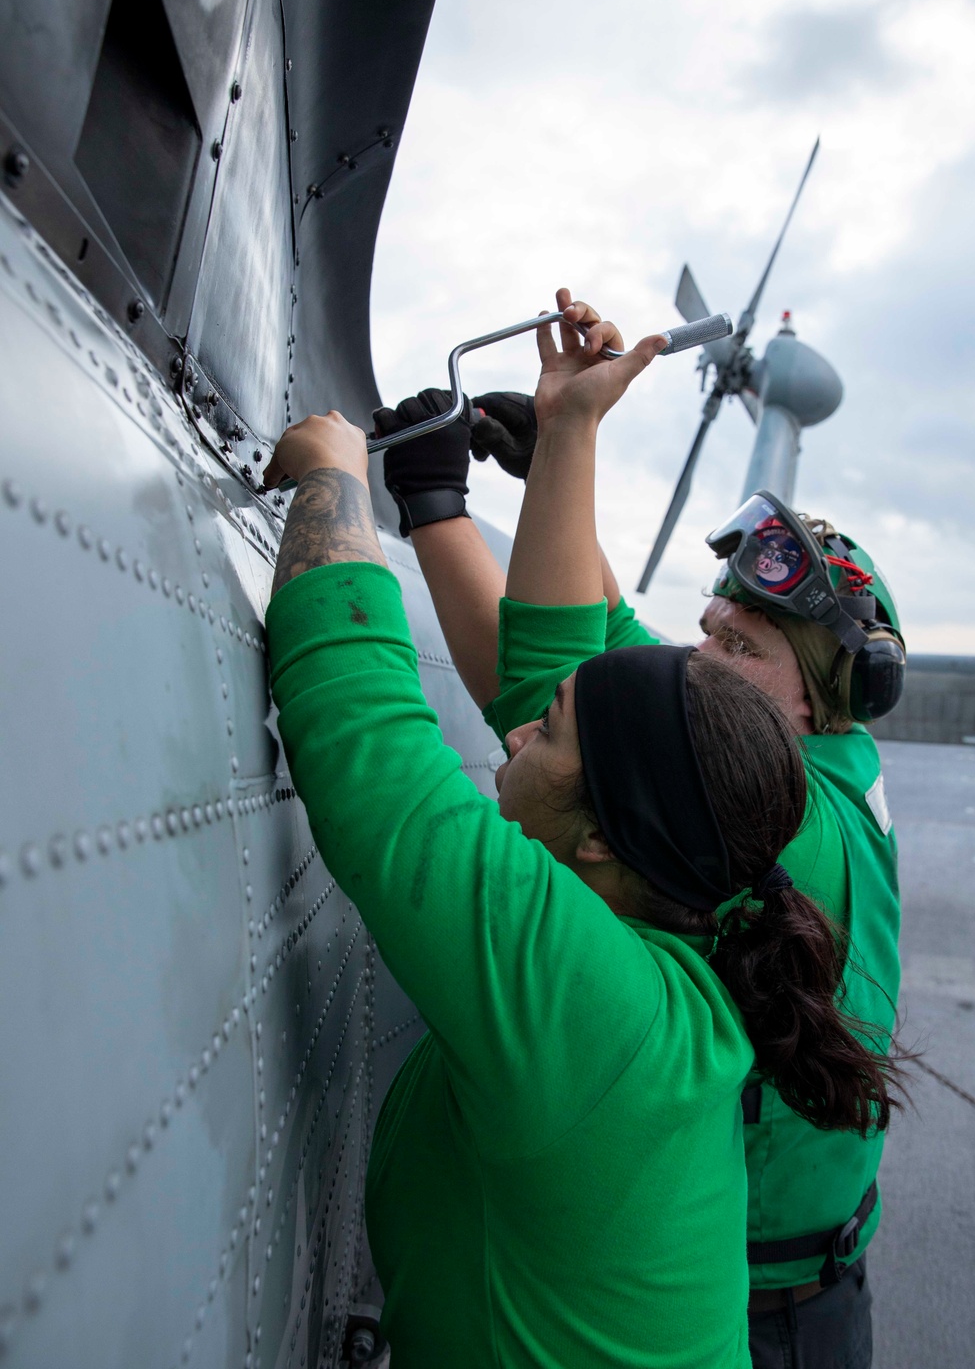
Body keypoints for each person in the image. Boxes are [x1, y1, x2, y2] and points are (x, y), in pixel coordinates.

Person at [262, 301, 900, 1368]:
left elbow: (530, 689)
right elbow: (587, 672)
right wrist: (518, 470)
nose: (697, 661)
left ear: (811, 704)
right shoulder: (748, 783)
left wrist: (369, 485)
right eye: (705, 632)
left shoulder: (785, 831)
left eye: (733, 649)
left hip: (781, 1303)